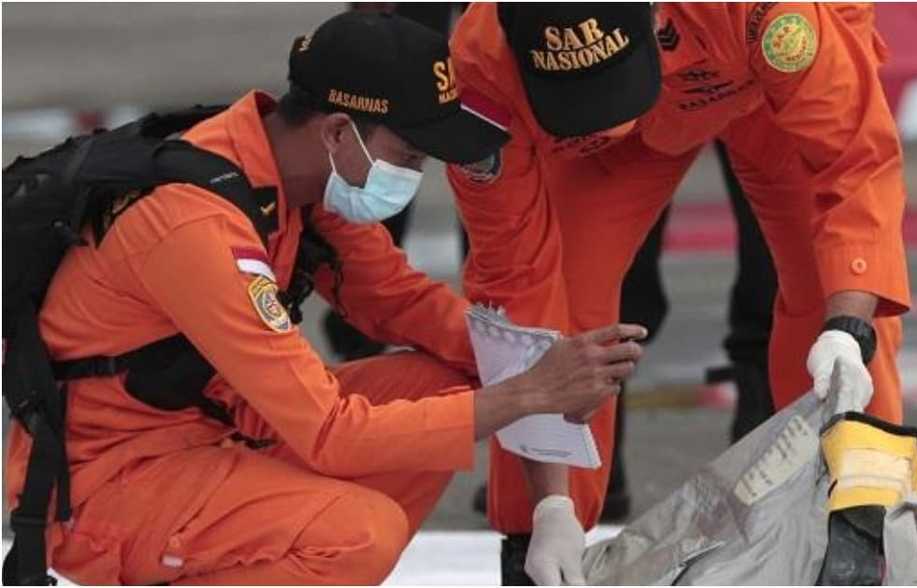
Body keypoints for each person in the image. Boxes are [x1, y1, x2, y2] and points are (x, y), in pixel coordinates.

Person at [3, 11, 647, 585]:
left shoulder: (295, 178)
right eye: (411, 153)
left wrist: (539, 368)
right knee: (355, 534)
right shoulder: (195, 224)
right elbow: (330, 434)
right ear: (340, 131)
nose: (417, 176)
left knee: (443, 382)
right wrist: (527, 393)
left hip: (208, 434)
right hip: (107, 489)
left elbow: (406, 304)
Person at [447, 3, 908, 583]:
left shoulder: (774, 11)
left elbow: (855, 161)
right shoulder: (484, 61)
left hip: (762, 81)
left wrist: (849, 328)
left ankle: (860, 525)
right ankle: (533, 546)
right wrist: (546, 506)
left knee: (833, 293)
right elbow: (512, 278)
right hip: (613, 126)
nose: (601, 115)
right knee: (563, 292)